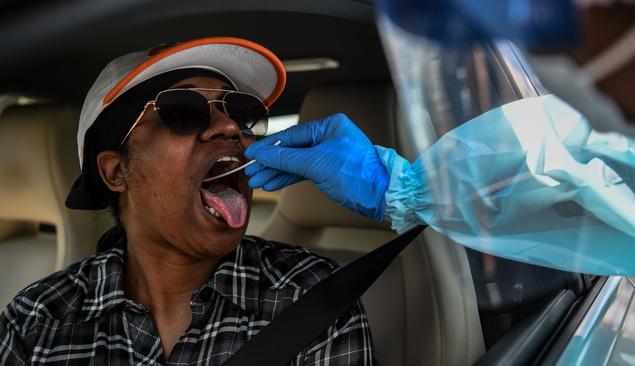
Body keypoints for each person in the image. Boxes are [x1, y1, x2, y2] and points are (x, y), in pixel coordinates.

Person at [0, 37, 375, 365]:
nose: (230, 127)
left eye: (240, 113)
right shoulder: (37, 320)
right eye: (183, 112)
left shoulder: (311, 296)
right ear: (116, 172)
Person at [244, 1, 635, 276]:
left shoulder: (293, 288)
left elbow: (574, 161)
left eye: (544, 25)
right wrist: (397, 189)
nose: (553, 65)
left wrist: (401, 189)